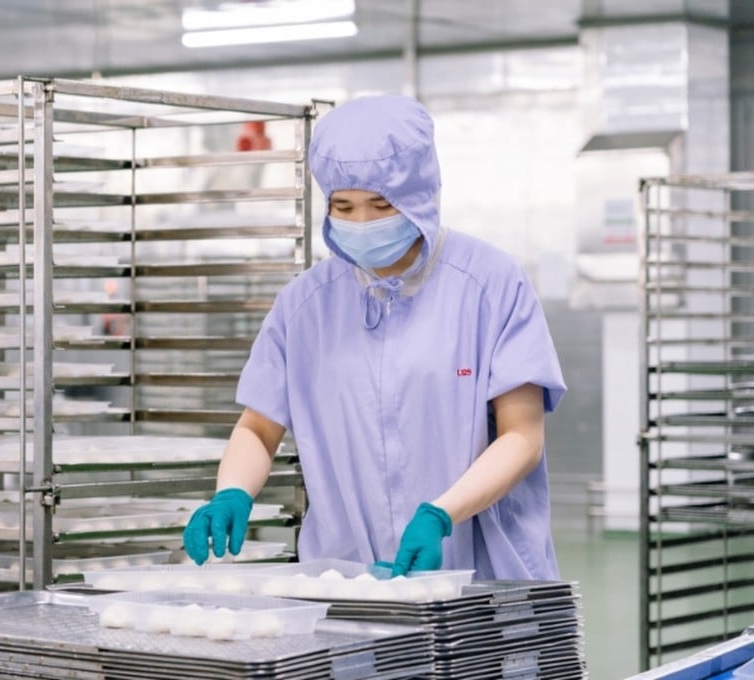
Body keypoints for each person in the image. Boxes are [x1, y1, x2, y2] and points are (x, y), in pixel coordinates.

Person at [182, 95, 566, 580]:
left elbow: (522, 437)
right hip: (348, 579)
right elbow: (258, 429)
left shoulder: (489, 285)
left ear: (421, 194)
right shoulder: (305, 308)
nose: (361, 222)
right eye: (344, 205)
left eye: (381, 205)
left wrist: (440, 516)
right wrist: (232, 491)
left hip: (478, 575)